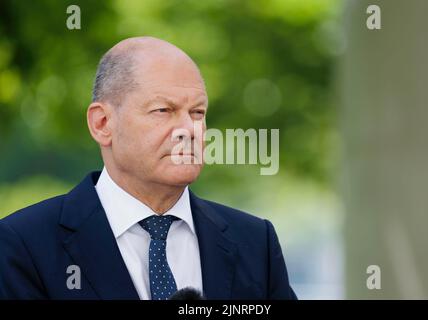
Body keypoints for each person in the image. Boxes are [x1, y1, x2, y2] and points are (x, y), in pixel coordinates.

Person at [0, 37, 297, 300]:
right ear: (102, 124)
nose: (188, 129)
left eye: (197, 112)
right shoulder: (23, 245)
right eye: (163, 111)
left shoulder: (255, 243)